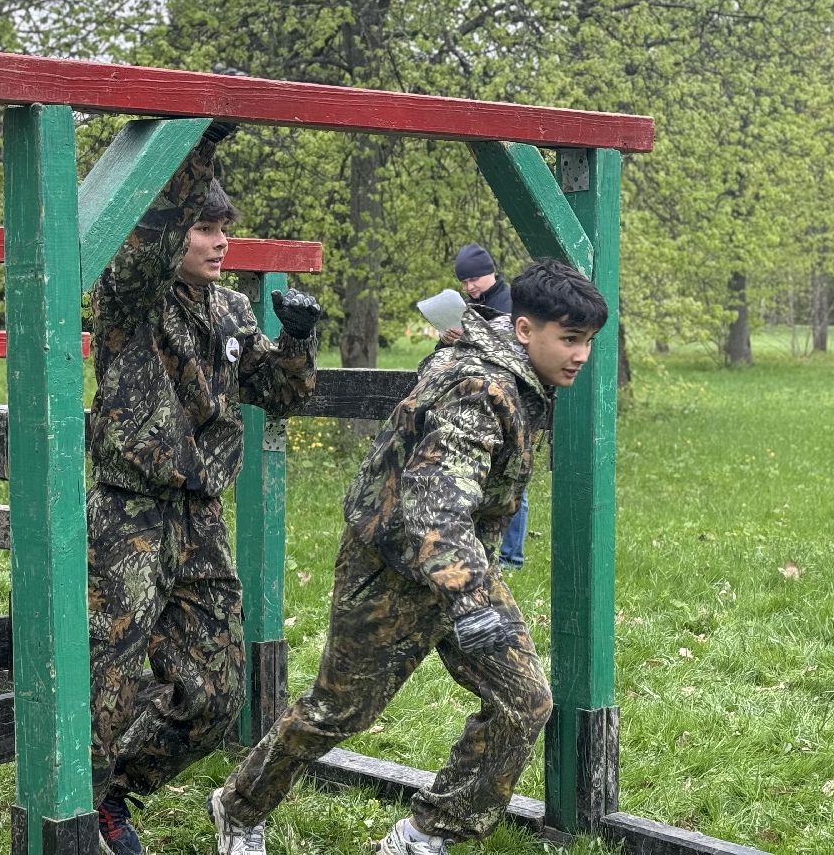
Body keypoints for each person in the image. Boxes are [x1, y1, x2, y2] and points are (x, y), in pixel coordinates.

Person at [209, 259, 608, 855]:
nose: (580, 355)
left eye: (588, 342)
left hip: (459, 566)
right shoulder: (483, 389)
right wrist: (473, 604)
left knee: (524, 702)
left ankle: (425, 833)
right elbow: (433, 506)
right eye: (569, 339)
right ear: (524, 330)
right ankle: (239, 807)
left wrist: (470, 590)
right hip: (391, 566)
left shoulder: (510, 368)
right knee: (338, 712)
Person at [86, 121, 322, 855]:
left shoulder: (231, 310)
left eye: (226, 229)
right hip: (131, 511)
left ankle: (115, 789)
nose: (221, 243)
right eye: (204, 228)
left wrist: (298, 343)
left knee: (216, 694)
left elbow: (278, 395)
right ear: (172, 234)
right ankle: (82, 812)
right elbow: (143, 246)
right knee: (110, 678)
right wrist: (198, 140)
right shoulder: (129, 300)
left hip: (201, 515)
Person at [439, 243, 526, 570]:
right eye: (464, 282)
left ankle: (511, 559)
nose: (470, 286)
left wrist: (471, 334)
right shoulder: (466, 305)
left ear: (490, 272)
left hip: (510, 398)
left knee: (512, 480)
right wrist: (448, 339)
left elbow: (512, 351)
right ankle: (483, 553)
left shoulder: (511, 303)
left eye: (474, 279)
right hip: (476, 399)